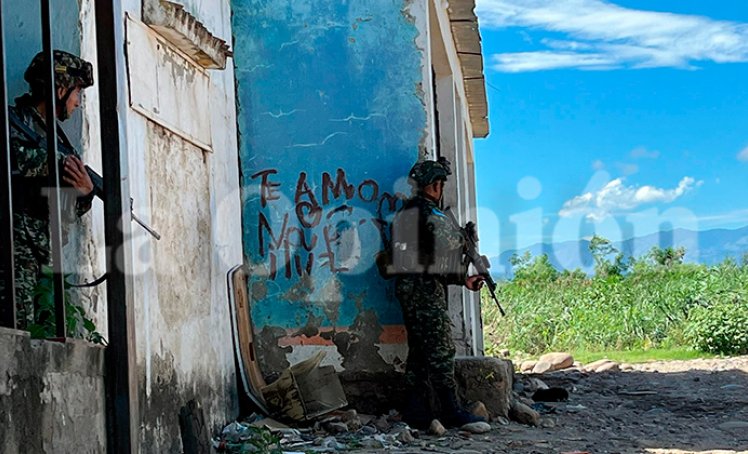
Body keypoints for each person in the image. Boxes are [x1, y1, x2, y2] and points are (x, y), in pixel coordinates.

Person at [390, 157, 486, 429]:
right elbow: (446, 249)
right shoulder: (431, 214)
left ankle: (415, 410)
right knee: (442, 349)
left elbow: (431, 260)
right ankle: (451, 409)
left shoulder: (406, 212)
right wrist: (465, 239)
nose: (441, 188)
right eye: (440, 183)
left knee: (420, 351)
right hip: (423, 291)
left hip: (411, 288)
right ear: (434, 185)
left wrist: (462, 281)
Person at [5, 50, 95, 329]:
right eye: (76, 91)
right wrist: (55, 163)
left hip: (43, 255)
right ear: (59, 88)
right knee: (14, 334)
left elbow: (64, 211)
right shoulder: (13, 121)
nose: (78, 102)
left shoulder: (59, 140)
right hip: (10, 251)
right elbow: (13, 159)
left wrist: (85, 193)